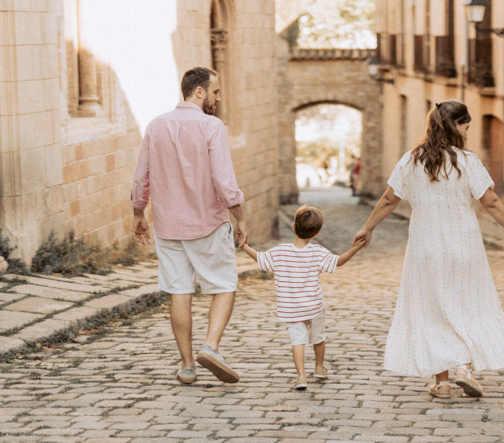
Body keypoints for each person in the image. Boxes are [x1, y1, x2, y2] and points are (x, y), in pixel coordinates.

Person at [353, 101, 504, 398]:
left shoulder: (410, 160)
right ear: (454, 126)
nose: (468, 133)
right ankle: (464, 367)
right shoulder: (468, 161)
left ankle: (443, 383)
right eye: (466, 126)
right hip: (465, 246)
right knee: (467, 305)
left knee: (431, 309)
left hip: (425, 248)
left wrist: (367, 227)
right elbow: (491, 202)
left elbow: (388, 200)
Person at [130, 66, 248, 386]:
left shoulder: (156, 126)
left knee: (179, 290)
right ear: (199, 92)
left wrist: (139, 213)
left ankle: (186, 366)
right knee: (224, 284)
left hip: (168, 225)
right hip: (207, 223)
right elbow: (223, 180)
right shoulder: (212, 126)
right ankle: (210, 348)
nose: (218, 98)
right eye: (216, 92)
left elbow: (142, 176)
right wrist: (240, 217)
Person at [240, 206, 365, 390]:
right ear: (316, 234)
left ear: (293, 226)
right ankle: (320, 368)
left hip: (291, 309)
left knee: (297, 341)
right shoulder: (317, 252)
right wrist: (355, 249)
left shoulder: (280, 251)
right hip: (314, 306)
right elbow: (338, 262)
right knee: (318, 337)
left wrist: (243, 246)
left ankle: (301, 376)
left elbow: (260, 259)